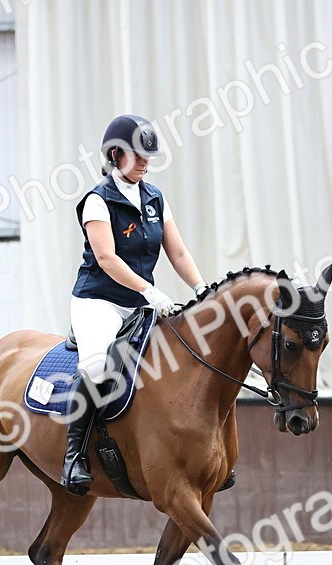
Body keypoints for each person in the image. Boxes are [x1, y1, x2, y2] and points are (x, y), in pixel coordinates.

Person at [61, 114, 207, 494]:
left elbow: (177, 252)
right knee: (95, 366)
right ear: (115, 155)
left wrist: (201, 287)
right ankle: (74, 454)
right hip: (99, 301)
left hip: (141, 301)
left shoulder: (155, 198)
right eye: (138, 156)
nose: (145, 163)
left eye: (148, 157)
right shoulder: (97, 201)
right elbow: (107, 259)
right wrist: (151, 292)